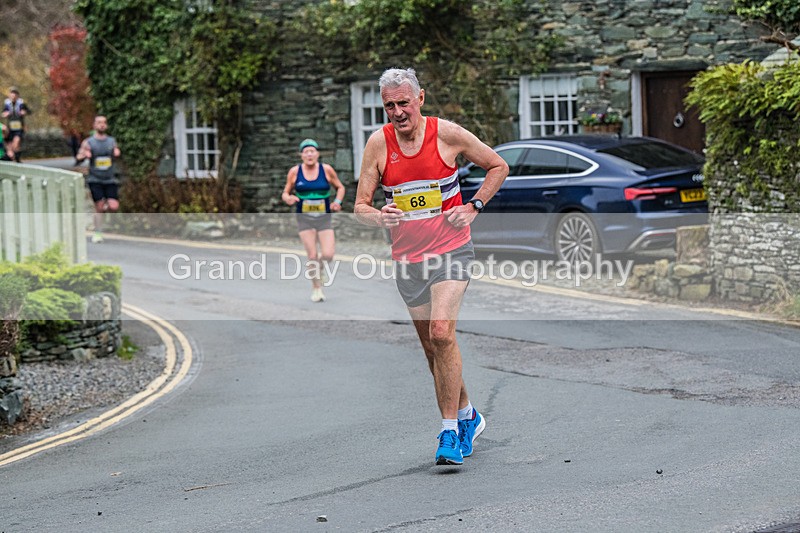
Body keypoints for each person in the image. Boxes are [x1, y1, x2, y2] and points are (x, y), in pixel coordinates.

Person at [354, 68, 509, 466]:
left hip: (452, 251)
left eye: (404, 102)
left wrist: (473, 207)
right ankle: (468, 415)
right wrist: (380, 216)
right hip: (409, 260)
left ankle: (448, 433)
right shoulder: (378, 144)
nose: (398, 112)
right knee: (431, 347)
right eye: (389, 105)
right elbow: (360, 206)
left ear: (420, 98)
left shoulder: (447, 134)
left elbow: (498, 166)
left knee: (442, 332)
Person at [282, 138, 345, 302]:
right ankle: (317, 288)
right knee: (312, 255)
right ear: (301, 155)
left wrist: (337, 202)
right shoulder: (295, 172)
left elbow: (340, 187)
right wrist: (288, 198)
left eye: (312, 151)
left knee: (328, 254)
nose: (309, 154)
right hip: (304, 218)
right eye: (306, 151)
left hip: (324, 218)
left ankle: (321, 270)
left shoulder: (327, 170)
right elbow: (285, 193)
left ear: (317, 154)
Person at [76, 116, 121, 243]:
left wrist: (116, 152)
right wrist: (84, 155)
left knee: (113, 206)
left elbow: (116, 151)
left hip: (109, 179)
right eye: (99, 123)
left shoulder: (111, 141)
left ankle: (101, 214)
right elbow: (78, 156)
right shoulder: (88, 142)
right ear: (94, 125)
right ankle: (97, 232)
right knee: (99, 206)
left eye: (104, 123)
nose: (102, 125)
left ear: (106, 126)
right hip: (95, 179)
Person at [2, 87, 30, 162]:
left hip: (19, 128)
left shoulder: (21, 104)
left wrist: (24, 112)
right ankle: (14, 158)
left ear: (17, 96)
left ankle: (17, 159)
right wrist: (5, 114)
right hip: (10, 127)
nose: (13, 97)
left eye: (14, 96)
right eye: (12, 96)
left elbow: (28, 111)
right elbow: (3, 113)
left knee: (16, 142)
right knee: (10, 145)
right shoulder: (7, 104)